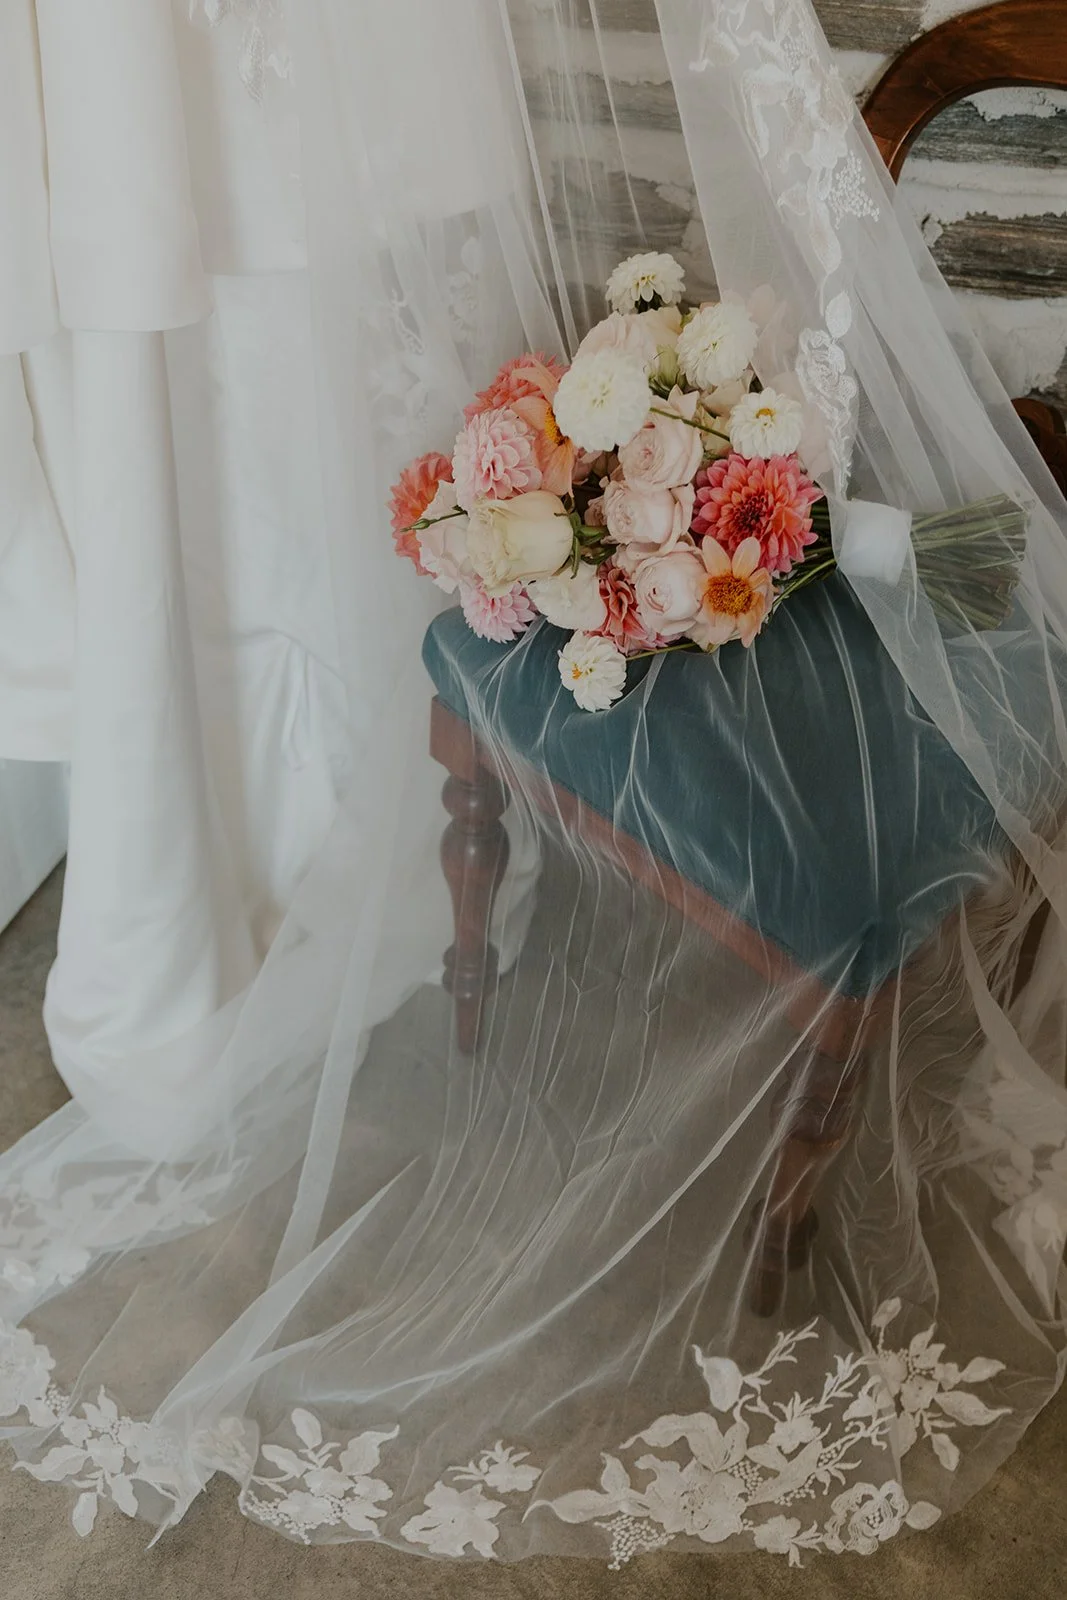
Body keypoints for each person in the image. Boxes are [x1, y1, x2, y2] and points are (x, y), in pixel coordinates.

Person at [1, 0, 1065, 1569]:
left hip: (796, 528)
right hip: (727, 522)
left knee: (939, 594)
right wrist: (673, 521)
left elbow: (884, 522)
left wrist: (787, 524)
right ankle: (474, 978)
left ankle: (776, 1223)